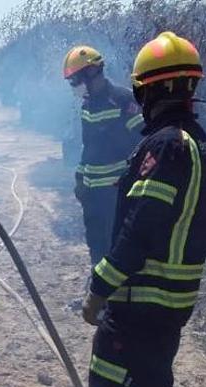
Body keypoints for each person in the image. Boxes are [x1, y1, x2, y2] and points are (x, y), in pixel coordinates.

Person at [82, 32, 206, 387]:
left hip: (136, 303)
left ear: (148, 91)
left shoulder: (163, 146)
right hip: (173, 306)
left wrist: (99, 287)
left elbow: (141, 228)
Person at [64, 46, 145, 266]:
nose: (75, 87)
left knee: (115, 246)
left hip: (116, 193)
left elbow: (143, 144)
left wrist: (131, 182)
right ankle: (97, 292)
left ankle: (114, 297)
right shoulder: (87, 106)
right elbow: (88, 148)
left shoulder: (122, 100)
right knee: (96, 244)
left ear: (90, 73)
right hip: (92, 194)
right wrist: (80, 179)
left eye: (75, 81)